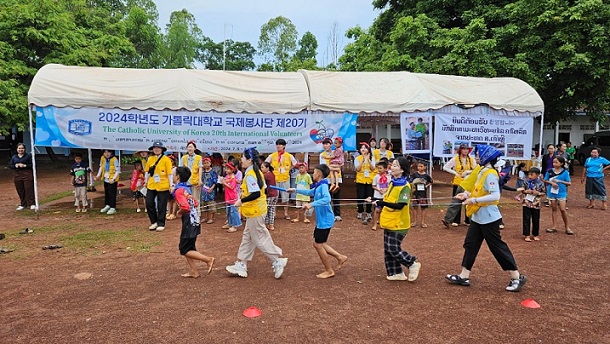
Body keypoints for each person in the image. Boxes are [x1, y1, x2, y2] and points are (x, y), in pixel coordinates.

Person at [445, 144, 527, 292]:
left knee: (497, 247)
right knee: (470, 244)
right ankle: (464, 275)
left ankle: (516, 277)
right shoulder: (482, 171)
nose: (475, 157)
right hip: (478, 216)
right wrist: (466, 195)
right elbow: (479, 191)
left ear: (486, 157)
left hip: (489, 217)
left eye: (478, 155)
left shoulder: (489, 173)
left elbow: (495, 195)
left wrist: (473, 201)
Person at [226, 147, 288, 279]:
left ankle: (277, 260)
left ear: (249, 160)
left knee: (259, 238)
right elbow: (262, 191)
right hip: (256, 210)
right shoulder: (256, 172)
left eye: (242, 157)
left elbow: (255, 193)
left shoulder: (250, 175)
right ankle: (242, 264)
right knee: (247, 237)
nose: (241, 160)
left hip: (255, 212)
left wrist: (241, 201)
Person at [288, 164, 348, 279]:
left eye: (314, 172)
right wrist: (294, 190)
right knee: (320, 243)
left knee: (317, 244)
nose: (313, 174)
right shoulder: (319, 185)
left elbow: (327, 199)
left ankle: (329, 270)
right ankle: (340, 257)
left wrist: (311, 204)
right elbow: (310, 192)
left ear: (319, 174)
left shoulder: (323, 186)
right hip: (322, 220)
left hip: (325, 220)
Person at [366, 157, 421, 282]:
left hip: (399, 222)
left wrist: (382, 203)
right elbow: (387, 199)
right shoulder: (393, 182)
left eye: (395, 165)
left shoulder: (405, 186)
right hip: (389, 220)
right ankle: (395, 272)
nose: (392, 167)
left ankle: (412, 263)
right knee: (388, 248)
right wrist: (377, 202)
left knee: (393, 248)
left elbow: (400, 205)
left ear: (402, 170)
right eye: (393, 165)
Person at [172, 166, 215, 278]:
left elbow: (185, 207)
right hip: (195, 219)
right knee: (189, 247)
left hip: (189, 221)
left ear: (177, 177)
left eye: (173, 174)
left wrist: (179, 213)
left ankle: (208, 260)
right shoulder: (186, 188)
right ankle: (193, 271)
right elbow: (195, 202)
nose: (172, 176)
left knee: (184, 248)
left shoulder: (179, 190)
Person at [442, 144, 477, 227]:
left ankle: (468, 220)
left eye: (467, 149)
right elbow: (445, 167)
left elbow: (476, 169)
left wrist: (468, 172)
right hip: (458, 183)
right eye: (463, 149)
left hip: (469, 183)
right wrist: (456, 173)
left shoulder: (471, 159)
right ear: (460, 150)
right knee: (456, 201)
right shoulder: (455, 159)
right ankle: (455, 220)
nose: (465, 151)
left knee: (468, 201)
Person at [265, 139, 298, 220]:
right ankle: (274, 213)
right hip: (275, 178)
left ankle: (286, 212)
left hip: (285, 178)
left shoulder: (289, 155)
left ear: (284, 146)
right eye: (277, 144)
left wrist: (289, 169)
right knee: (274, 196)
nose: (278, 146)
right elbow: (265, 164)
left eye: (280, 144)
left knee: (285, 196)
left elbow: (295, 164)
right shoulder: (272, 155)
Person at [144, 141, 173, 231]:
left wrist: (171, 185)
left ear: (162, 149)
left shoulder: (166, 159)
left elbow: (169, 174)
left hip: (163, 184)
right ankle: (154, 222)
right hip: (151, 184)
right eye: (155, 148)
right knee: (149, 203)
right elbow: (147, 171)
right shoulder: (150, 159)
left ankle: (161, 223)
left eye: (158, 148)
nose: (156, 149)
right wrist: (146, 181)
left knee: (162, 205)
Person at [544, 156, 573, 235]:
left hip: (561, 192)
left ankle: (567, 227)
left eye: (556, 162)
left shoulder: (565, 172)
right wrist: (552, 183)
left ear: (561, 163)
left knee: (563, 209)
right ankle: (554, 226)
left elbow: (569, 183)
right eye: (553, 162)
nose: (554, 164)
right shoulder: (549, 171)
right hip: (552, 192)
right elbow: (545, 179)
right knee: (554, 208)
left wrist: (560, 181)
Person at [517, 167, 545, 242]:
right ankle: (527, 235)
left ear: (537, 175)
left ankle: (535, 234)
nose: (530, 176)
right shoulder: (526, 182)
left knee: (536, 219)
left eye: (532, 174)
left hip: (536, 203)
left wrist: (538, 193)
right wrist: (526, 191)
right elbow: (522, 190)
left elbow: (544, 193)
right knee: (526, 218)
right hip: (526, 202)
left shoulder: (541, 183)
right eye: (529, 174)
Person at [320, 138, 343, 221]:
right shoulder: (322, 154)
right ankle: (329, 214)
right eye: (324, 144)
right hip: (327, 178)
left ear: (331, 145)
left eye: (327, 144)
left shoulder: (335, 152)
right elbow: (324, 167)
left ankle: (337, 214)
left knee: (336, 196)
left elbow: (340, 163)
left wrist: (336, 168)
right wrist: (335, 168)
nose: (326, 146)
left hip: (337, 178)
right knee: (328, 197)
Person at [354, 142, 375, 223]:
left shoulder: (372, 158)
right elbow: (357, 169)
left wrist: (368, 160)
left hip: (369, 180)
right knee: (360, 196)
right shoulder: (357, 158)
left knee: (369, 196)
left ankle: (368, 212)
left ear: (368, 149)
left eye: (365, 148)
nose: (363, 149)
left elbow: (373, 168)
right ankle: (360, 211)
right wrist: (362, 160)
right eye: (362, 148)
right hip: (360, 180)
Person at [94, 149, 120, 215]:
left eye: (108, 152)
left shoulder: (114, 159)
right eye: (105, 152)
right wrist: (98, 176)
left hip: (112, 180)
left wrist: (113, 179)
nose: (107, 154)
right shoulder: (103, 158)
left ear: (111, 152)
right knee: (107, 193)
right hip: (106, 179)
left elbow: (117, 170)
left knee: (112, 193)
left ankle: (112, 207)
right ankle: (107, 205)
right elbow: (101, 167)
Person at [181, 140, 203, 214]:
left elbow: (200, 169)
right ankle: (188, 213)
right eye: (188, 147)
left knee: (196, 198)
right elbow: (180, 169)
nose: (190, 148)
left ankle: (197, 214)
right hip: (186, 182)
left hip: (195, 181)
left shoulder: (198, 157)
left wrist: (200, 180)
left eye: (191, 147)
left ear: (195, 148)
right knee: (186, 198)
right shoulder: (184, 158)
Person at [410, 161, 433, 228]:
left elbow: (431, 182)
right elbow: (411, 181)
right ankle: (414, 221)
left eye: (421, 166)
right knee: (415, 207)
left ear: (425, 167)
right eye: (418, 166)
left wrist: (426, 186)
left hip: (423, 193)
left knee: (423, 208)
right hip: (415, 192)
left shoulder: (426, 176)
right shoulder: (414, 174)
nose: (419, 168)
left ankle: (423, 222)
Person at [220, 162, 241, 233]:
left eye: (228, 169)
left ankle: (235, 225)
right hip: (228, 197)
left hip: (232, 197)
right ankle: (230, 223)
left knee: (233, 212)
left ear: (232, 170)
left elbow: (232, 187)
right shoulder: (227, 176)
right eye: (226, 169)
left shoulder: (233, 177)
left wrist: (224, 183)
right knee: (228, 211)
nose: (226, 170)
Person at [371, 160, 389, 231]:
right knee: (377, 210)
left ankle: (382, 223)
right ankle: (375, 224)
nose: (379, 170)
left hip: (385, 196)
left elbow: (390, 185)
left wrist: (386, 189)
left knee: (384, 210)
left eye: (381, 168)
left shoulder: (389, 177)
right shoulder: (376, 177)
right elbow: (373, 185)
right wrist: (379, 190)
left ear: (385, 169)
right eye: (378, 168)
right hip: (378, 196)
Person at [261, 162, 278, 231]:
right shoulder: (272, 174)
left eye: (262, 167)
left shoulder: (265, 175)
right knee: (271, 210)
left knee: (266, 210)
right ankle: (271, 225)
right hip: (275, 194)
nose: (261, 169)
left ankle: (266, 224)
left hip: (269, 195)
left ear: (267, 168)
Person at [201, 157, 218, 224]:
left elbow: (215, 181)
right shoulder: (202, 172)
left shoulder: (213, 172)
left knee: (211, 204)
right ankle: (206, 217)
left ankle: (211, 218)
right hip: (204, 191)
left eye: (207, 163)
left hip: (211, 191)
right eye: (204, 163)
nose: (206, 164)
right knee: (204, 205)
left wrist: (212, 188)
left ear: (210, 163)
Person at [166, 155, 179, 221]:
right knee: (168, 200)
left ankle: (173, 213)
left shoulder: (175, 169)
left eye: (171, 161)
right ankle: (168, 212)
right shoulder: (166, 168)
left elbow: (176, 178)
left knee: (174, 200)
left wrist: (174, 185)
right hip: (167, 186)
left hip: (174, 186)